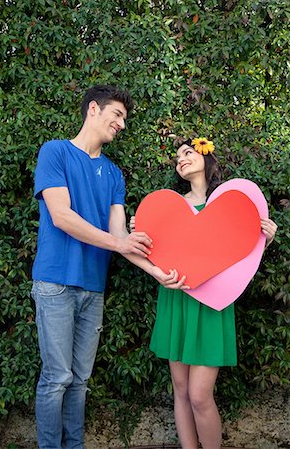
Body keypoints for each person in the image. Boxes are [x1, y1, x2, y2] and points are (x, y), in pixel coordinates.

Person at [31, 85, 188, 449]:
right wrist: (118, 242)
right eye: (116, 115)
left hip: (93, 288)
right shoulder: (55, 151)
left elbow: (121, 237)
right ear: (93, 110)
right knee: (57, 378)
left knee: (81, 379)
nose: (121, 124)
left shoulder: (114, 174)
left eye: (124, 119)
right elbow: (62, 216)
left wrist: (157, 274)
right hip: (55, 283)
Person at [130, 137, 277, 449]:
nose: (180, 159)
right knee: (181, 391)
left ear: (206, 156)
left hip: (212, 304)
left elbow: (242, 258)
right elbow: (149, 251)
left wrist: (266, 238)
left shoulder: (230, 207)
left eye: (187, 152)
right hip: (177, 298)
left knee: (199, 395)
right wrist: (140, 230)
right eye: (177, 157)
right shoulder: (169, 208)